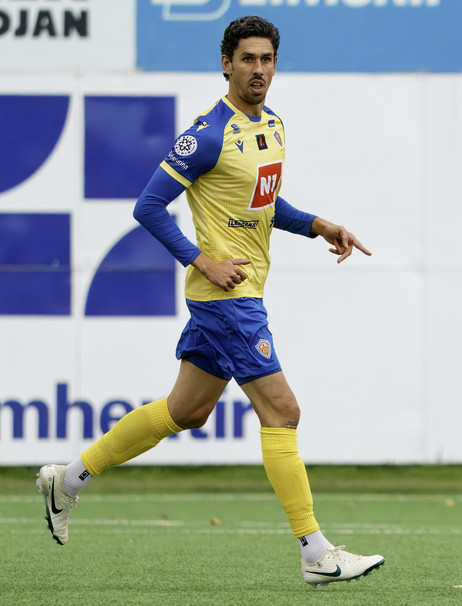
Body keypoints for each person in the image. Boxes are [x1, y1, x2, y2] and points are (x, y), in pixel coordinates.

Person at [36, 16, 384, 588]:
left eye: (267, 59)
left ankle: (67, 479)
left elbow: (264, 205)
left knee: (186, 411)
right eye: (247, 59)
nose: (258, 69)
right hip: (228, 298)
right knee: (283, 412)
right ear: (227, 64)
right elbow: (148, 207)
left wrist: (319, 224)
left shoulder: (272, 125)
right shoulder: (206, 134)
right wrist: (202, 260)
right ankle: (316, 553)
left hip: (239, 294)